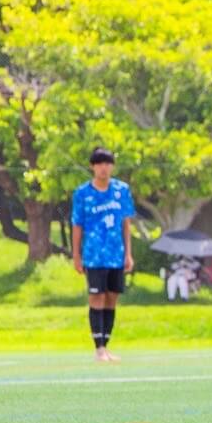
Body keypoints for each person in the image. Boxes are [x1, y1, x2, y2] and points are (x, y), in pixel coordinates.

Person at [71, 148, 135, 362]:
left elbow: (126, 223)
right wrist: (76, 255)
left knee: (112, 297)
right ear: (92, 166)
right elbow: (77, 225)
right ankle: (98, 347)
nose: (103, 168)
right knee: (96, 297)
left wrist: (128, 253)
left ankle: (106, 345)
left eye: (107, 163)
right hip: (94, 254)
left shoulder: (121, 190)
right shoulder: (82, 193)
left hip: (116, 254)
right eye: (99, 164)